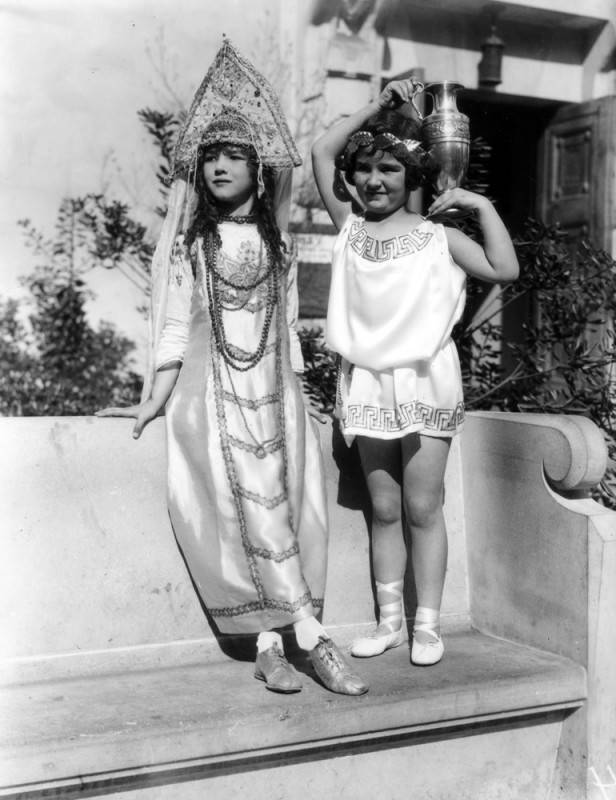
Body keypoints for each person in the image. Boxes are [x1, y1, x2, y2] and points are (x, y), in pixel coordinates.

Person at [97, 39, 367, 696]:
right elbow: (170, 330)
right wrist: (152, 398)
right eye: (210, 155)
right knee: (236, 510)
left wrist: (354, 108)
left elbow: (299, 163)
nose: (219, 165)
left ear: (258, 169)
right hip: (209, 396)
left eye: (234, 155)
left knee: (289, 506)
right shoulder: (195, 243)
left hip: (275, 393)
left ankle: (279, 641)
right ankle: (299, 638)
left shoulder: (274, 238)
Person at [311, 79, 519, 666]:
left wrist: (479, 204)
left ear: (413, 178)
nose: (374, 180)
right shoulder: (349, 230)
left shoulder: (439, 236)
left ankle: (428, 625)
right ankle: (391, 623)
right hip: (370, 382)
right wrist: (381, 102)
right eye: (367, 170)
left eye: (390, 170)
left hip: (427, 378)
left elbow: (504, 268)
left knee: (423, 507)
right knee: (383, 508)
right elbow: (322, 152)